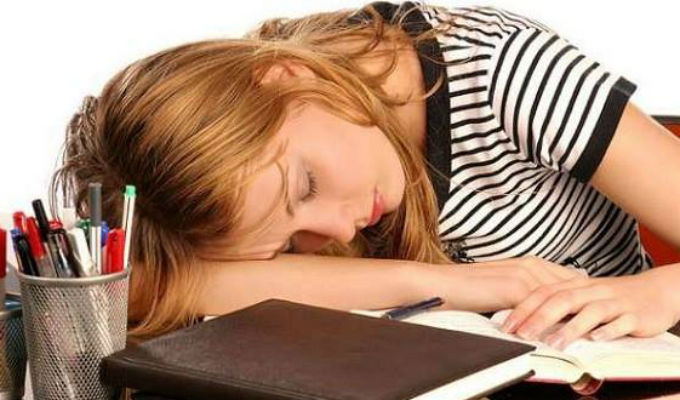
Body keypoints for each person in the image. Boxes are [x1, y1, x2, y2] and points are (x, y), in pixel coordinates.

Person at [50, 1, 680, 346]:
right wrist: (446, 283)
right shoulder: (277, 147)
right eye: (289, 244)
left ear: (287, 77)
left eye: (306, 186)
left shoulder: (506, 74)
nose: (335, 230)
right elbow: (149, 284)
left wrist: (656, 294)